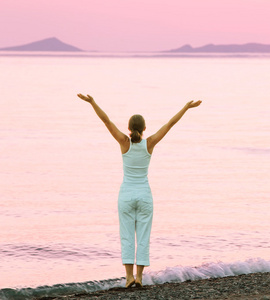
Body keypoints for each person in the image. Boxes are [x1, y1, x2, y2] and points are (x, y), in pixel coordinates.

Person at [77, 93, 202, 288]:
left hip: (126, 195)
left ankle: (128, 278)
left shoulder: (124, 142)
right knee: (143, 235)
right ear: (144, 128)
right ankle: (140, 278)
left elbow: (106, 120)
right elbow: (170, 124)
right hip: (144, 195)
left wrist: (92, 102)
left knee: (127, 235)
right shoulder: (149, 143)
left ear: (129, 128)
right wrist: (186, 107)